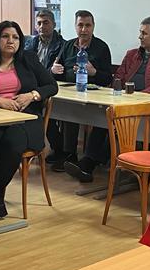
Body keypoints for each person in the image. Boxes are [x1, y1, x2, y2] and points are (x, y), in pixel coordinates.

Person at [0, 21, 58, 225]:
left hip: (27, 120)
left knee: (11, 144)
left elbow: (52, 86)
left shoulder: (28, 59)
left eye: (15, 37)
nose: (11, 41)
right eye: (6, 36)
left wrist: (32, 95)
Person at [64, 15, 150, 183]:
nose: (139, 36)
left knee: (116, 122)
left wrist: (136, 99)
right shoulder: (131, 54)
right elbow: (119, 77)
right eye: (140, 32)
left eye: (144, 33)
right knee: (104, 119)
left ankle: (97, 164)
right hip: (123, 102)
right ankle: (88, 164)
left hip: (146, 107)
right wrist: (117, 94)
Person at [47, 9, 113, 170]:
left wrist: (94, 72)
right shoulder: (68, 45)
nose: (84, 29)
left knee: (79, 113)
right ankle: (64, 152)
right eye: (80, 25)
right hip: (69, 92)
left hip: (94, 94)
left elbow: (108, 78)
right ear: (75, 26)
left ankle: (81, 157)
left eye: (87, 25)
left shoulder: (102, 47)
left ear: (93, 26)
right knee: (46, 110)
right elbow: (57, 68)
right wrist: (53, 70)